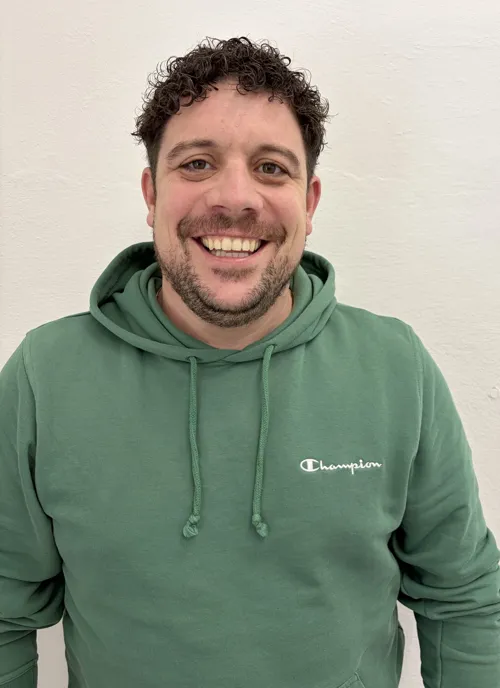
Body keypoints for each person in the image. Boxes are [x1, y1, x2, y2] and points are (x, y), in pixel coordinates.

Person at [0, 35, 499, 688]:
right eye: (197, 163)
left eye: (270, 168)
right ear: (151, 194)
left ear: (309, 203)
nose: (235, 197)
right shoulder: (44, 376)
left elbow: (464, 598)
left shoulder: (395, 367)